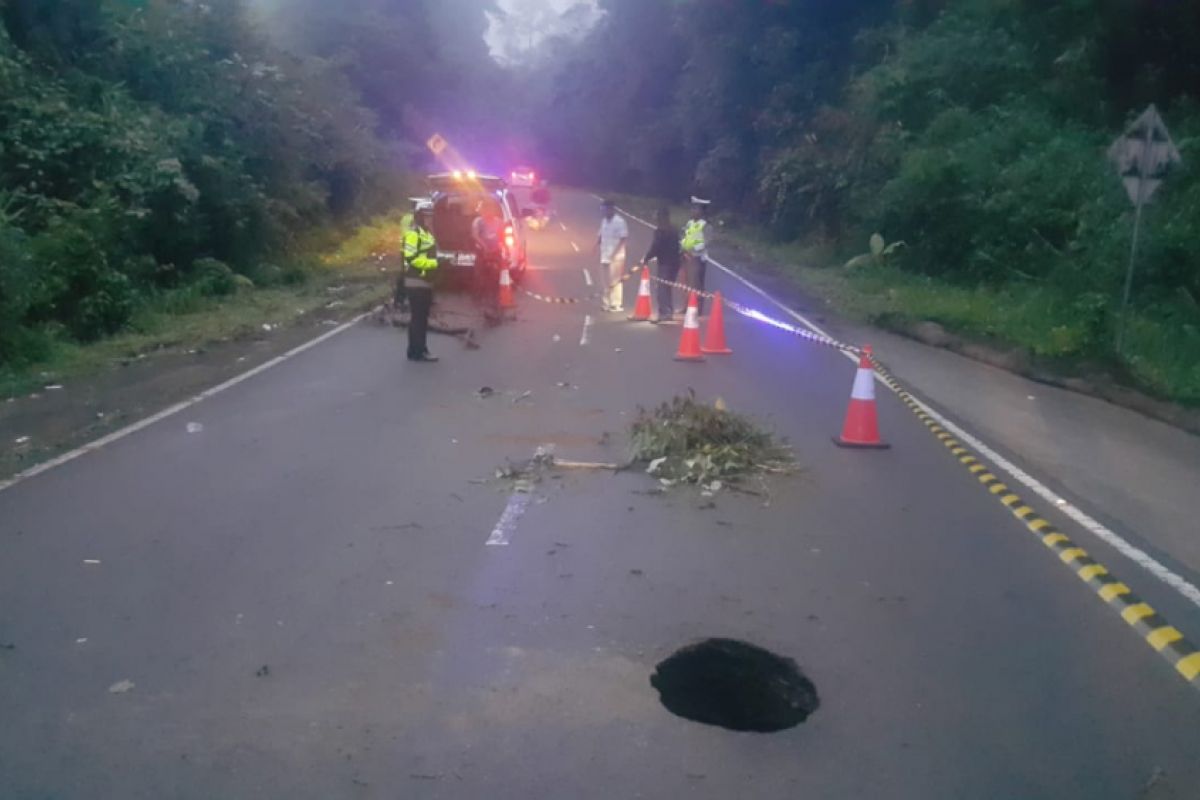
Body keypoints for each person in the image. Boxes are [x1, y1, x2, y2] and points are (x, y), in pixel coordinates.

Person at [403, 203, 439, 363]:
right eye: (427, 216)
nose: (430, 219)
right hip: (416, 281)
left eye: (431, 216)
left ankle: (415, 350)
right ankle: (419, 351)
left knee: (420, 317)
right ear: (419, 216)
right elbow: (410, 257)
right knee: (419, 318)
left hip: (425, 281)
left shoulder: (426, 233)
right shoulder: (414, 233)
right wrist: (432, 265)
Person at [641, 207, 682, 324]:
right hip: (675, 263)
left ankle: (664, 313)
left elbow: (655, 247)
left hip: (665, 263)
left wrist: (646, 258)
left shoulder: (660, 231)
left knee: (662, 288)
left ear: (661, 217)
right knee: (668, 287)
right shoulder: (674, 230)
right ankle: (669, 310)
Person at [595, 199, 629, 312]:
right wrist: (595, 246)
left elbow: (623, 239)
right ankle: (606, 303)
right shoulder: (604, 221)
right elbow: (600, 235)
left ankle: (616, 304)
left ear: (611, 209)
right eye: (602, 210)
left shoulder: (620, 222)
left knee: (615, 280)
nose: (604, 212)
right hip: (604, 255)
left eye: (605, 209)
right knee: (604, 281)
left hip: (616, 257)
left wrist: (615, 254)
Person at [681, 196, 711, 314]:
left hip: (698, 258)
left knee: (696, 285)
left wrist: (692, 251)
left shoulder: (706, 225)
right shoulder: (689, 223)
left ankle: (697, 309)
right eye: (692, 209)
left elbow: (705, 242)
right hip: (686, 256)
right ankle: (687, 307)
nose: (692, 211)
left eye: (696, 209)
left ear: (702, 211)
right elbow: (685, 237)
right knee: (687, 284)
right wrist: (683, 249)